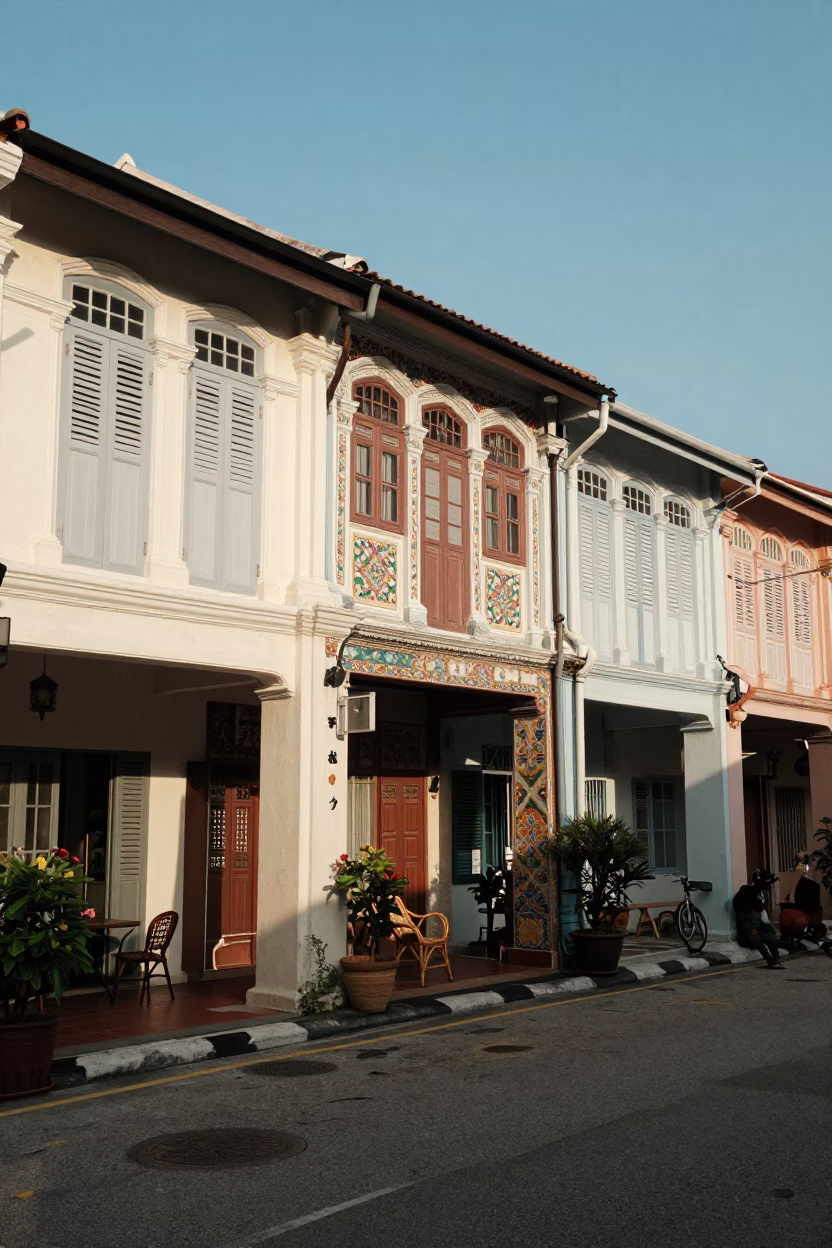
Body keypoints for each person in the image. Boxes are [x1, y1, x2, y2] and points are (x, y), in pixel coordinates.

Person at [733, 869, 783, 968]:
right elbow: (747, 923)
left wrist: (772, 930)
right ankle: (771, 960)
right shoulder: (748, 894)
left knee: (770, 936)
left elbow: (763, 918)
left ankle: (775, 959)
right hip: (746, 933)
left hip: (756, 927)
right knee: (756, 937)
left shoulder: (758, 893)